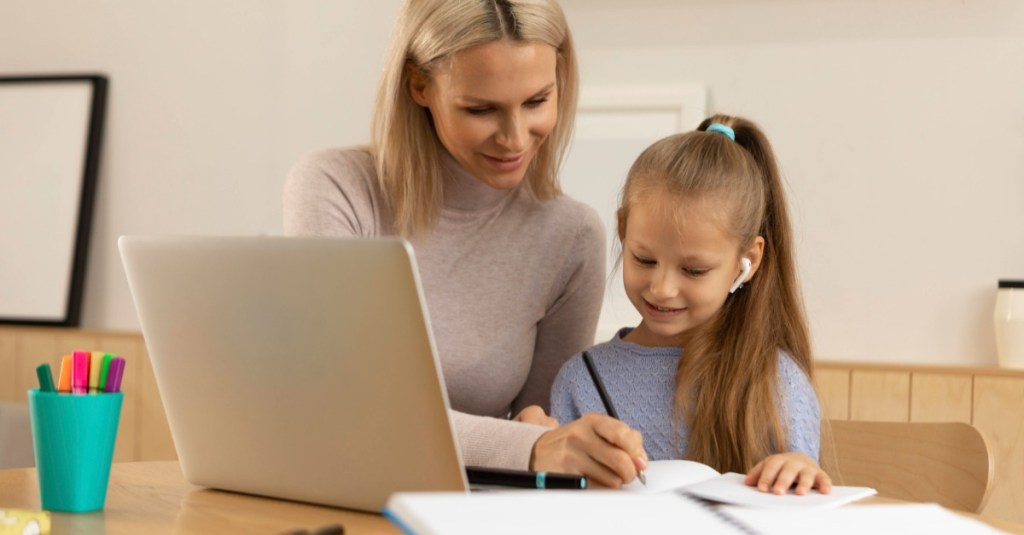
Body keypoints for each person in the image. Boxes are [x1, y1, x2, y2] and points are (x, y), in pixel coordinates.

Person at [283, 0, 647, 487]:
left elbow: (539, 427)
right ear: (418, 86)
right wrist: (531, 447)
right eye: (481, 109)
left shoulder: (571, 236)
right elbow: (344, 410)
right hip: (333, 493)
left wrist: (549, 444)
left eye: (537, 101)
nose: (515, 138)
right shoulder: (337, 189)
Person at [550, 115, 832, 495]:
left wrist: (800, 471)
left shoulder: (776, 383)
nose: (662, 288)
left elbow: (803, 499)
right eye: (644, 260)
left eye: (694, 270)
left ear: (747, 262)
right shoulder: (580, 380)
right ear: (623, 230)